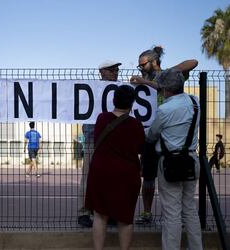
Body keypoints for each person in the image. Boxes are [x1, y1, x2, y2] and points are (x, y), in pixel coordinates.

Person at [130, 46, 198, 224]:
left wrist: (166, 73)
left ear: (154, 62)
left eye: (143, 65)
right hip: (152, 134)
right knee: (148, 177)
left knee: (175, 178)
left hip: (171, 136)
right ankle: (147, 213)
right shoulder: (142, 81)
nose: (140, 69)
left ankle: (180, 217)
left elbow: (193, 62)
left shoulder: (169, 76)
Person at [146, 68, 202, 250]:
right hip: (191, 159)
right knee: (190, 209)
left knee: (172, 213)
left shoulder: (164, 109)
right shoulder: (195, 103)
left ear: (166, 90)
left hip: (170, 163)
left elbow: (152, 135)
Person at [85, 85, 145, 250]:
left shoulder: (101, 119)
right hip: (126, 174)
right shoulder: (136, 125)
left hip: (101, 172)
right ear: (132, 103)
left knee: (100, 215)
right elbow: (141, 148)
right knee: (125, 218)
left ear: (113, 100)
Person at [78, 60, 122, 228]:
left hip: (112, 141)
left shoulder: (119, 89)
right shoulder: (93, 89)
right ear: (102, 71)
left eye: (116, 70)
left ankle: (107, 212)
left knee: (110, 178)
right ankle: (83, 212)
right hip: (93, 138)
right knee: (88, 176)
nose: (115, 73)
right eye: (111, 70)